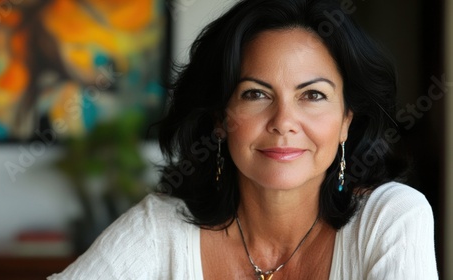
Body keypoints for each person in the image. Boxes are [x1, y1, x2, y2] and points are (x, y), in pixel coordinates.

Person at [48, 0, 438, 279]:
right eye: (256, 93)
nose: (284, 121)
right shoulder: (161, 227)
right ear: (220, 118)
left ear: (346, 122)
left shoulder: (390, 219)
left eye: (313, 95)